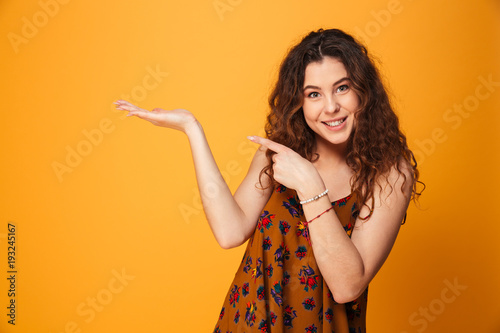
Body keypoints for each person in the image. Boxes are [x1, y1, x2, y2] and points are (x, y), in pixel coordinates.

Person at [115, 28, 422, 332]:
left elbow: (347, 286)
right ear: (298, 103)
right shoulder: (279, 152)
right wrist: (192, 129)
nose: (330, 107)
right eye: (313, 94)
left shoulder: (389, 173)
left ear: (363, 90)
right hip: (248, 323)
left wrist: (310, 186)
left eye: (342, 88)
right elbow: (229, 231)